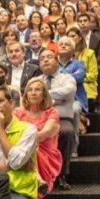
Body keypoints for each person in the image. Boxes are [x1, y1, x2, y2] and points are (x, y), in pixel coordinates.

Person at [37, 48, 78, 190]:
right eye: (42, 58)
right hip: (39, 120)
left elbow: (68, 92)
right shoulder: (35, 81)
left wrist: (43, 96)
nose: (45, 60)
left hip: (61, 119)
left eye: (49, 57)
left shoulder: (67, 78)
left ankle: (62, 175)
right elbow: (30, 98)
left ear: (57, 60)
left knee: (67, 132)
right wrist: (55, 99)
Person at [14, 79, 62, 199]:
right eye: (30, 90)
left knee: (31, 150)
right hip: (21, 149)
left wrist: (27, 141)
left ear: (44, 94)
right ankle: (36, 181)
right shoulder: (17, 112)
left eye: (37, 90)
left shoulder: (51, 112)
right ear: (26, 94)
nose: (33, 93)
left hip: (45, 152)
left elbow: (45, 133)